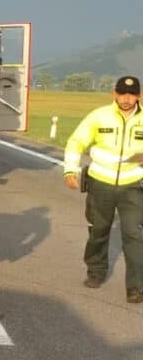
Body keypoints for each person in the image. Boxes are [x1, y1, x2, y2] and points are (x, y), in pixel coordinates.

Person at [63, 75, 143, 303]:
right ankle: (96, 272)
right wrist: (70, 170)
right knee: (98, 230)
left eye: (131, 94)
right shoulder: (99, 116)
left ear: (139, 96)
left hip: (133, 186)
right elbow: (76, 142)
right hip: (101, 183)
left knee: (134, 234)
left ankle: (136, 287)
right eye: (122, 94)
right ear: (114, 94)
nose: (126, 99)